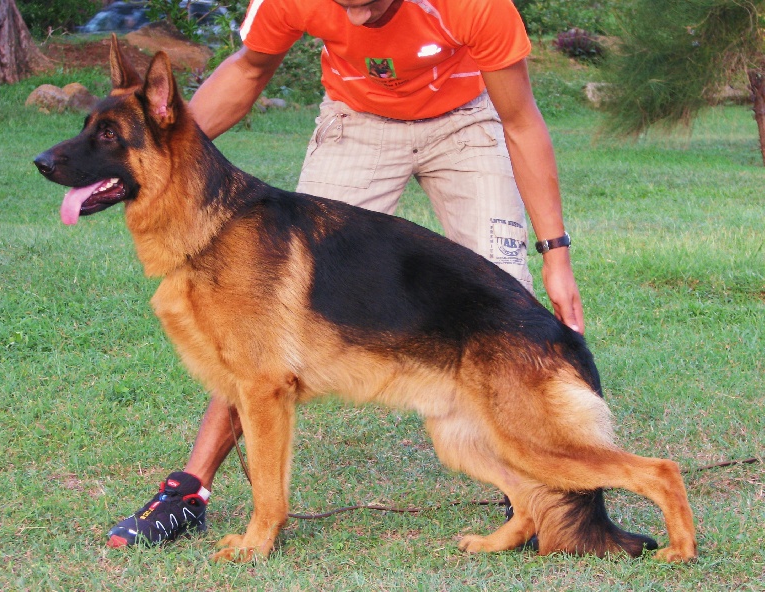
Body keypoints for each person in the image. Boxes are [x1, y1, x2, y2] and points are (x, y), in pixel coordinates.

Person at [107, 0, 585, 548]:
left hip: (466, 120)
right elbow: (248, 68)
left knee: (502, 298)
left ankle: (527, 486)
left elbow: (520, 120)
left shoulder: (475, 5)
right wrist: (167, 149)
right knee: (253, 309)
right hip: (358, 122)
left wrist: (556, 254)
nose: (356, 17)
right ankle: (189, 492)